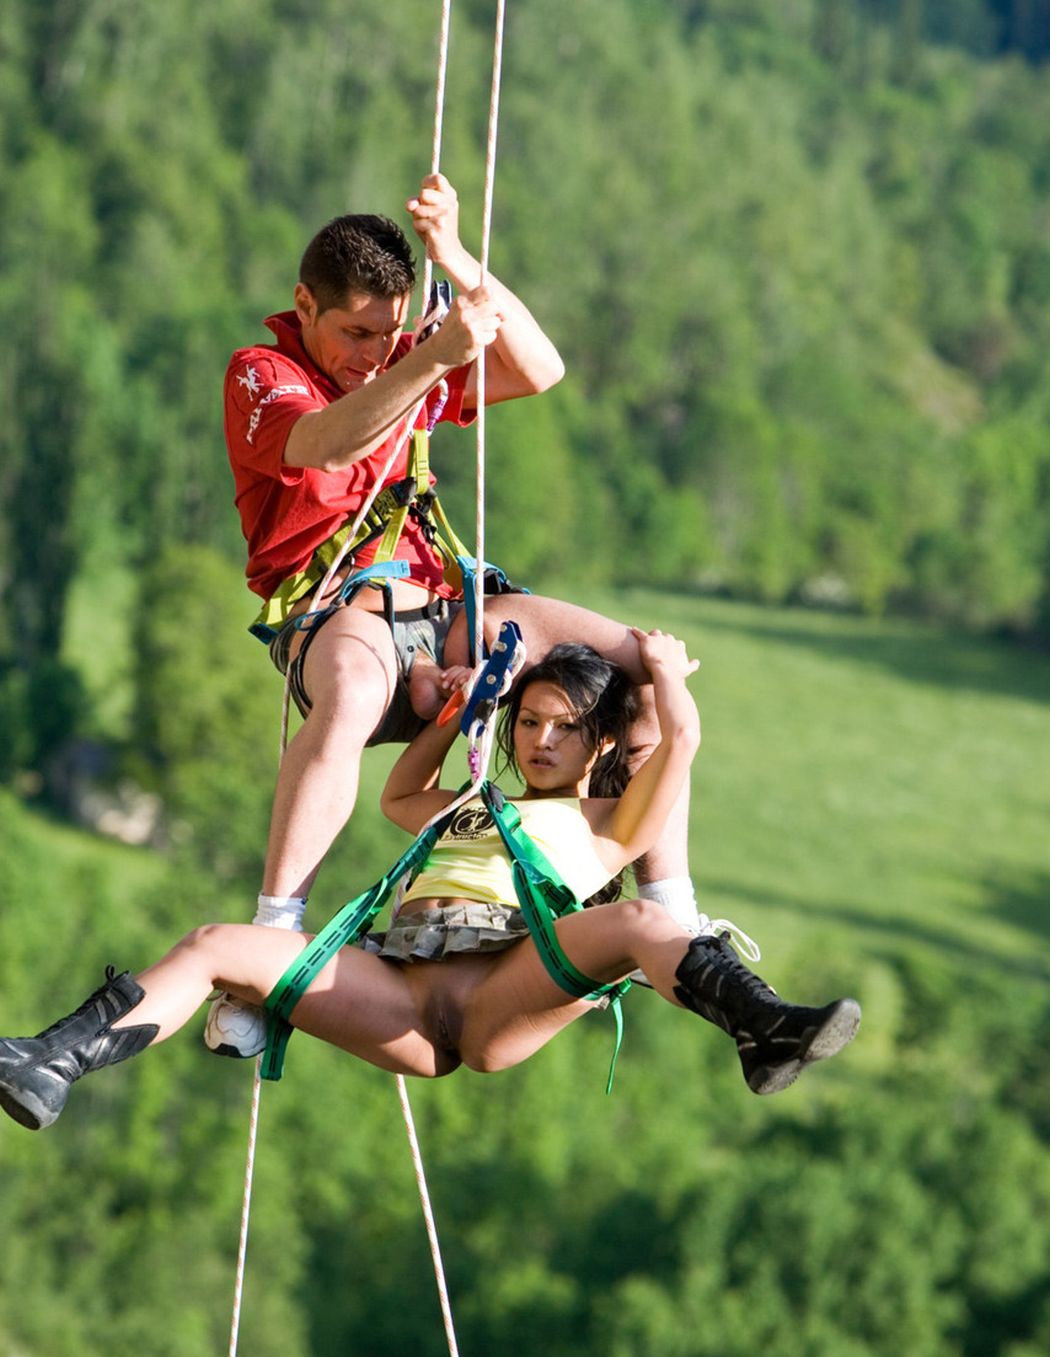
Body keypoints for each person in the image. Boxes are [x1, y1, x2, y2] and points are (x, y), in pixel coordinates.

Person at [215, 172, 707, 1055]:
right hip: (338, 615)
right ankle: (277, 932)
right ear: (305, 305)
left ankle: (668, 909)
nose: (372, 352)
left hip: (442, 604)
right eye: (355, 331)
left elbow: (539, 367)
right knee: (355, 692)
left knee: (637, 666)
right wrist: (429, 359)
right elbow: (327, 442)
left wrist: (456, 257)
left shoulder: (407, 361)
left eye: (388, 333)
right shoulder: (267, 374)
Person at [0, 633, 860, 1132]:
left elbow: (680, 750)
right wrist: (455, 717)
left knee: (636, 923)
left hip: (500, 995)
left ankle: (765, 1027)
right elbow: (400, 796)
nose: (541, 742)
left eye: (564, 729)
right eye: (529, 722)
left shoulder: (609, 825)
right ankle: (53, 1063)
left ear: (600, 744)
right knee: (215, 944)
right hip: (401, 1001)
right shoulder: (475, 802)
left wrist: (664, 676)